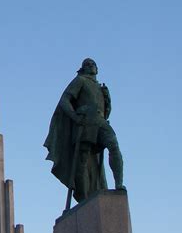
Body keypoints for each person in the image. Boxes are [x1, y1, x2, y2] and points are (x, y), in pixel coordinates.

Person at [44, 58, 125, 202]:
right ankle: (84, 197)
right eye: (87, 64)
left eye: (93, 64)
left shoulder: (101, 88)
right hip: (85, 121)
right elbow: (65, 100)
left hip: (100, 121)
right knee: (82, 161)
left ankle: (118, 183)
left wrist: (107, 100)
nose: (91, 66)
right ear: (83, 69)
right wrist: (75, 117)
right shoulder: (80, 80)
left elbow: (106, 112)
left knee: (114, 146)